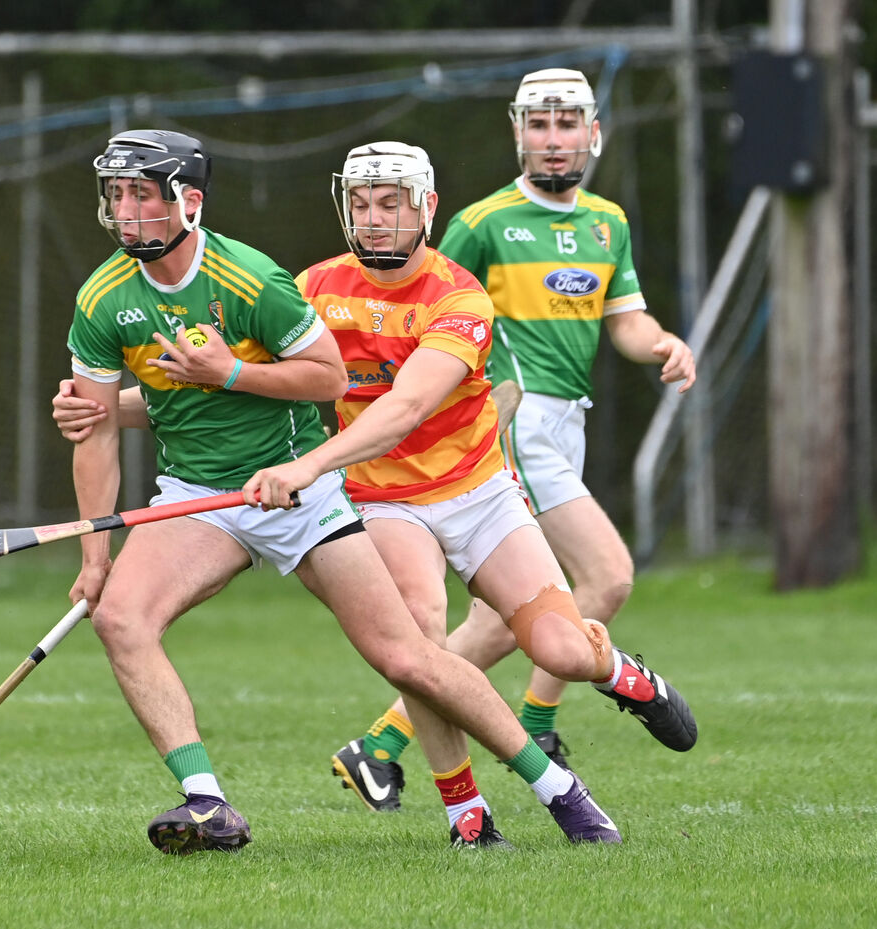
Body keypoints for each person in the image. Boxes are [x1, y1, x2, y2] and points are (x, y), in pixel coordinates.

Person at [62, 127, 620, 856]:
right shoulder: (103, 298)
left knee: (408, 655)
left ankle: (558, 790)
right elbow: (98, 426)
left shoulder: (251, 279)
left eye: (143, 194)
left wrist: (231, 376)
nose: (128, 210)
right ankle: (207, 803)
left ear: (188, 201)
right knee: (121, 621)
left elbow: (328, 381)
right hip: (198, 494)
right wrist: (95, 554)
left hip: (302, 491)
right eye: (117, 195)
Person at [327, 69, 700, 799]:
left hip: (569, 421)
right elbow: (429, 309)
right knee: (606, 577)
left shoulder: (607, 223)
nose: (553, 140)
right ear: (516, 132)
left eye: (566, 125)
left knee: (507, 615)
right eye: (538, 125)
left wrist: (660, 343)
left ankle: (384, 742)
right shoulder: (483, 221)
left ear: (594, 132)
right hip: (512, 419)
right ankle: (531, 722)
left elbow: (624, 319)